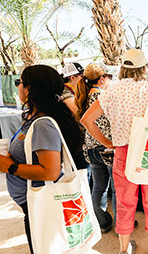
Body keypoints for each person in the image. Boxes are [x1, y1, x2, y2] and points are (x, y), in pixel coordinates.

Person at [81, 49, 148, 254]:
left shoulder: (111, 91)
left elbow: (86, 119)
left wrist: (107, 142)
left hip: (123, 153)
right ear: (145, 68)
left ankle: (124, 248)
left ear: (123, 69)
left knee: (124, 202)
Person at [0, 65, 82, 254]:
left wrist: (10, 166)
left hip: (41, 201)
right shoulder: (34, 117)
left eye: (19, 82)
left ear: (30, 89)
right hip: (34, 202)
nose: (17, 87)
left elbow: (50, 171)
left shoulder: (43, 124)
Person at [75, 63, 115, 234]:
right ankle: (122, 227)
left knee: (98, 187)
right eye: (109, 77)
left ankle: (102, 222)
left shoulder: (82, 98)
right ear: (101, 79)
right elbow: (109, 126)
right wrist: (108, 142)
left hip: (90, 150)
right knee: (116, 189)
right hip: (106, 149)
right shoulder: (103, 98)